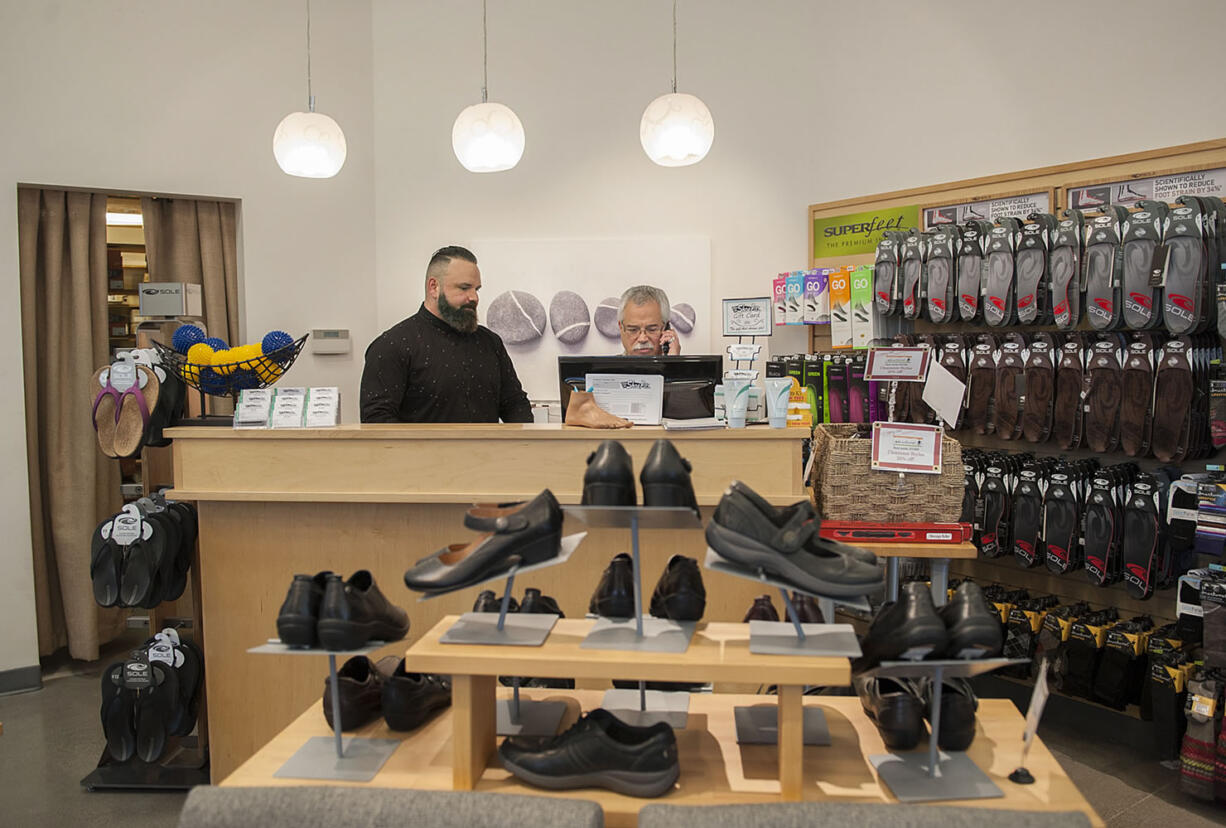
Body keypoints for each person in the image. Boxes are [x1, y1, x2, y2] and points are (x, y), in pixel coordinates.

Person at [360, 246, 533, 423]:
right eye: (464, 288)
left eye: (476, 289)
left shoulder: (490, 342)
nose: (474, 297)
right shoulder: (392, 346)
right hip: (420, 451)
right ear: (434, 287)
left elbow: (515, 404)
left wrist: (526, 446)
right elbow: (377, 422)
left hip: (488, 451)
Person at [619, 285, 680, 356]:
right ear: (621, 327)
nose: (642, 339)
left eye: (652, 330)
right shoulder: (607, 367)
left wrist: (673, 363)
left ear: (666, 327)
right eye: (633, 330)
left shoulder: (685, 367)